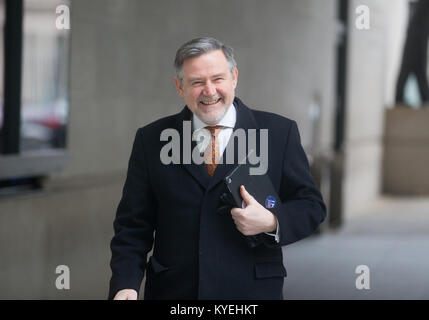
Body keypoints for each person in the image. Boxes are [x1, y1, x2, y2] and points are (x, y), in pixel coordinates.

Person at [109, 37, 326, 300]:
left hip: (251, 292)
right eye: (197, 82)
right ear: (180, 86)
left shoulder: (279, 133)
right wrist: (126, 284)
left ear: (234, 77)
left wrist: (272, 221)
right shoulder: (151, 139)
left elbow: (311, 205)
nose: (209, 91)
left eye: (218, 79)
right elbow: (133, 225)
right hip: (175, 292)